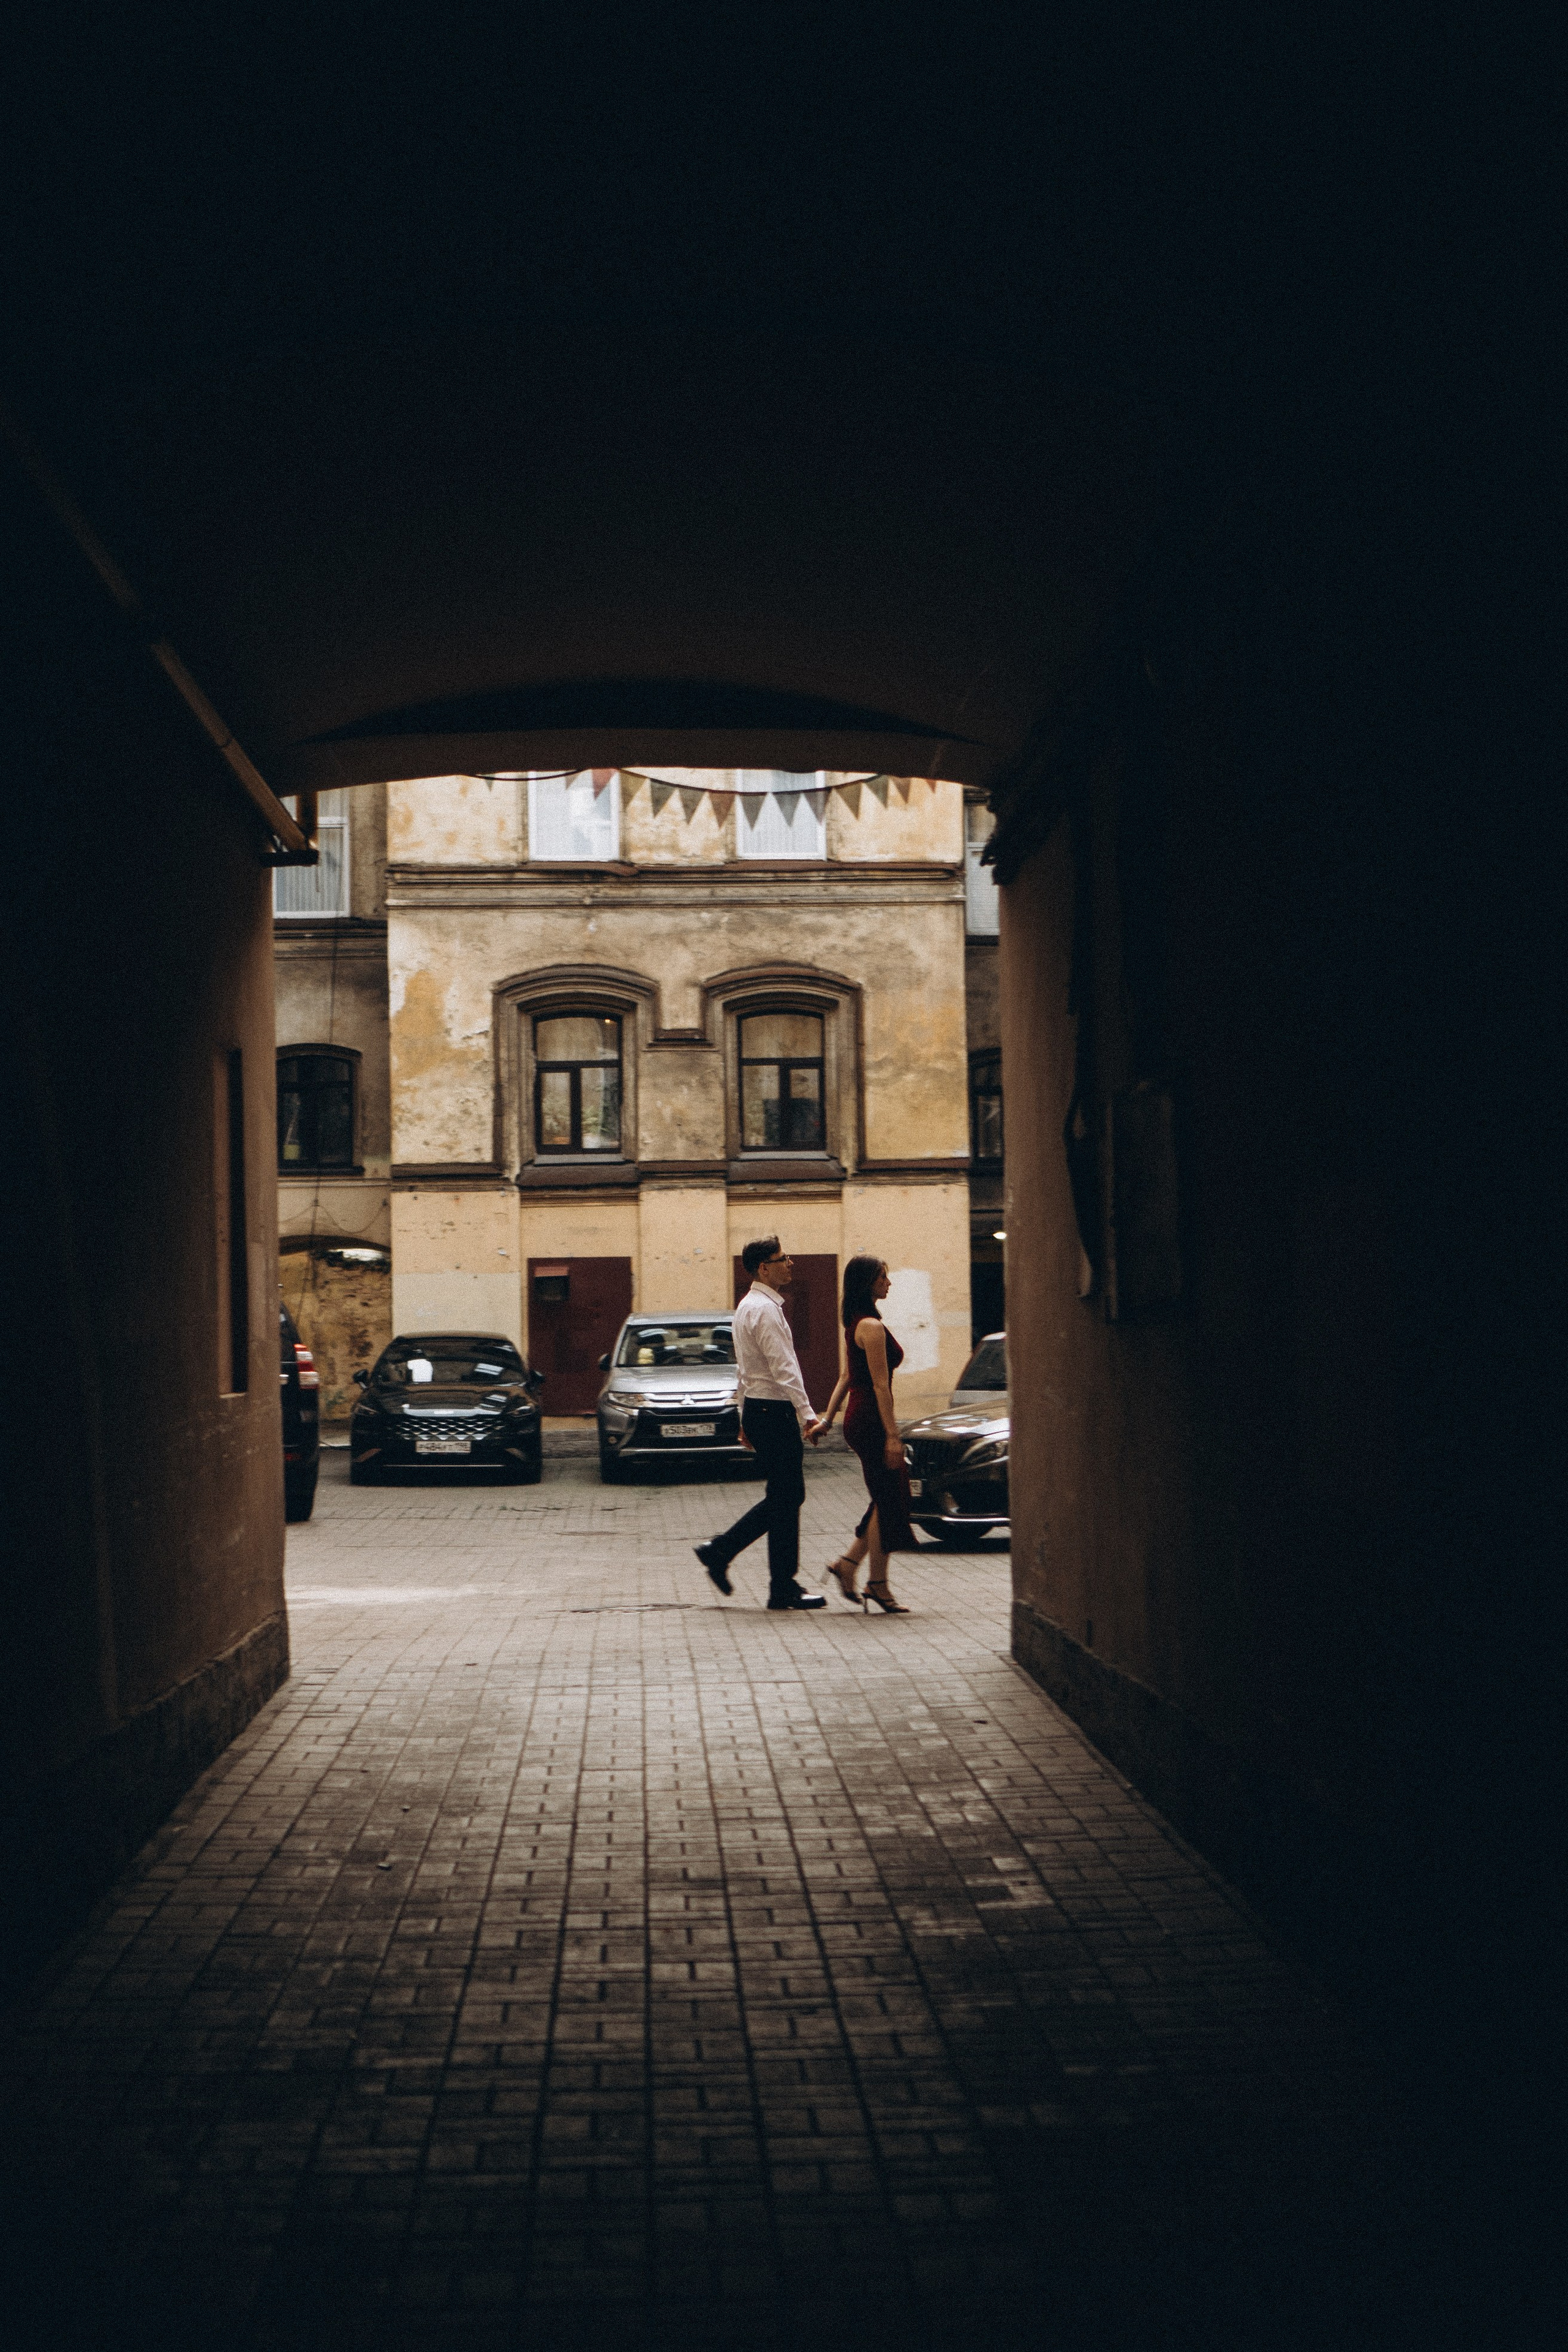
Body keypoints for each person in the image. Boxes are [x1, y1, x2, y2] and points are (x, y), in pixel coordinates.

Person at [694, 1237, 828, 1610]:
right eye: (782, 1259)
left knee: (785, 1496)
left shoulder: (748, 1307)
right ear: (763, 1269)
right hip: (774, 1412)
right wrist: (808, 1414)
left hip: (760, 1410)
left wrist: (743, 1418)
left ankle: (770, 1579)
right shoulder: (764, 1311)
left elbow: (744, 1371)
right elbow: (784, 1368)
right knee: (787, 1496)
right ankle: (728, 1555)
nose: (791, 1262)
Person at [812, 1254, 914, 1613]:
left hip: (861, 1417)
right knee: (889, 1498)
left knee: (885, 1495)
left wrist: (828, 1420)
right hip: (871, 1420)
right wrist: (893, 1436)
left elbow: (845, 1376)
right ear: (868, 1283)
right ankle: (878, 1584)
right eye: (883, 1277)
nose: (889, 1283)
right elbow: (880, 1386)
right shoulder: (869, 1326)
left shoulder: (857, 1323)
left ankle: (848, 1565)